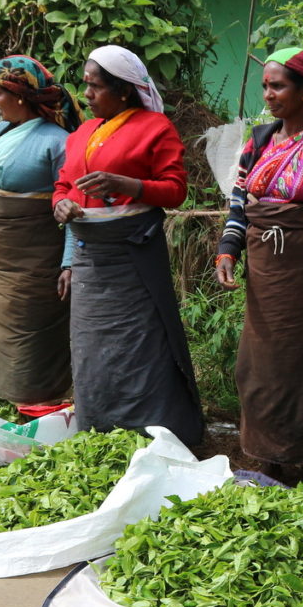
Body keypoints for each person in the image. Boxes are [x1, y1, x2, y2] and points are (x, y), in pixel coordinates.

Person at [215, 47, 303, 482]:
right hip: (265, 278)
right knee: (260, 366)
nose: (269, 95)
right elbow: (240, 205)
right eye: (265, 86)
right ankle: (268, 454)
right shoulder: (258, 143)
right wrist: (229, 250)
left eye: (277, 86)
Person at [53, 45, 203, 446]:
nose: (86, 95)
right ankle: (101, 429)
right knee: (91, 347)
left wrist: (129, 186)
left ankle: (154, 430)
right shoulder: (82, 133)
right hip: (90, 259)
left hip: (133, 256)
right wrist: (62, 204)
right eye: (86, 85)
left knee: (142, 343)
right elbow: (63, 185)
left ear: (123, 91)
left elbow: (175, 191)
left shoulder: (156, 128)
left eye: (95, 87)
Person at [0, 55, 82, 404]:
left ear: (19, 95)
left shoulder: (57, 142)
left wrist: (69, 263)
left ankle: (38, 401)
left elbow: (70, 207)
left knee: (28, 334)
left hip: (33, 263)